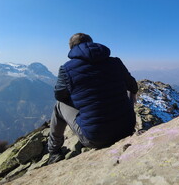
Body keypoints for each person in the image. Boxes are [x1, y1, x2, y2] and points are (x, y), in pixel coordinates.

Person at [47, 33, 138, 164]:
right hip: (127, 128)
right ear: (92, 43)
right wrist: (132, 94)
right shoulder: (115, 62)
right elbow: (133, 85)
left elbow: (60, 96)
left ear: (71, 48)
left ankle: (54, 152)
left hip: (96, 138)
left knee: (59, 105)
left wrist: (83, 100)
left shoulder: (66, 69)